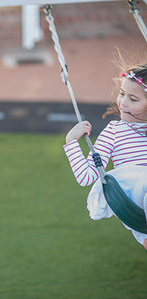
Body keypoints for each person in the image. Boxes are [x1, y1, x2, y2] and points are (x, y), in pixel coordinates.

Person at [63, 63, 147, 249]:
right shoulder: (114, 131)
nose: (123, 103)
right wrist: (71, 142)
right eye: (122, 94)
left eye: (133, 99)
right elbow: (86, 177)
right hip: (131, 198)